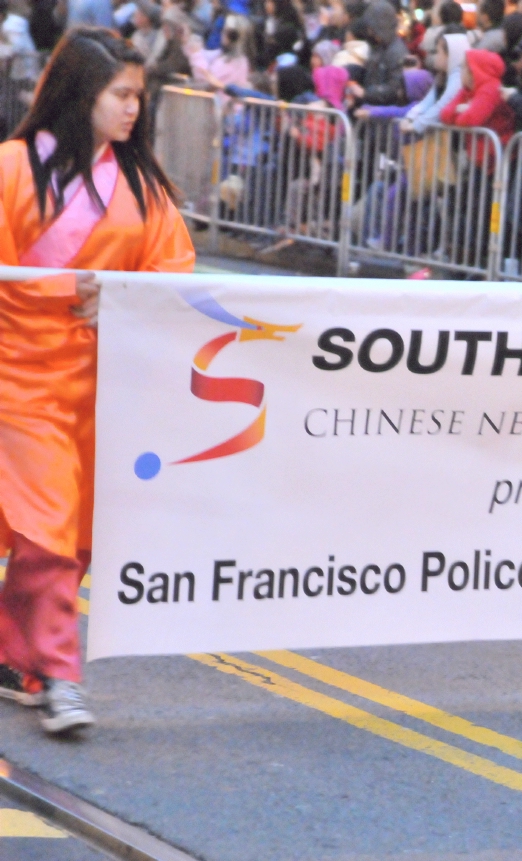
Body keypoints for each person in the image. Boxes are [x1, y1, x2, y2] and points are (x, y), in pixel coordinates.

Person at [0, 28, 195, 735]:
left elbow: (172, 274)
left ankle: (14, 652)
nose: (133, 109)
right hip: (15, 376)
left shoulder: (141, 184)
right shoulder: (12, 168)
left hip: (99, 383)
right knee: (48, 528)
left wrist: (116, 294)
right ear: (82, 93)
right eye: (121, 94)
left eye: (139, 97)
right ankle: (58, 672)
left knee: (72, 538)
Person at [188, 13, 251, 91]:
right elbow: (204, 55)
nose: (222, 34)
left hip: (222, 102)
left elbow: (205, 82)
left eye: (225, 31)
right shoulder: (225, 55)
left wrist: (196, 55)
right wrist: (188, 43)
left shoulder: (231, 61)